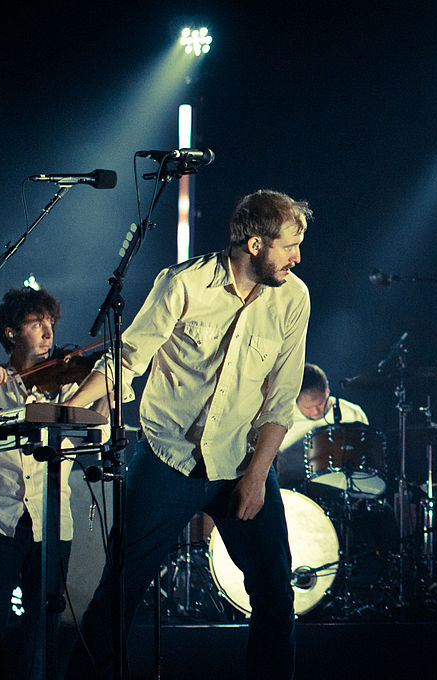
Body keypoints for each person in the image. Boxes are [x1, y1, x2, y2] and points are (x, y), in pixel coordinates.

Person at [63, 189, 312, 680]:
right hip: (166, 458)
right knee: (120, 591)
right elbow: (128, 357)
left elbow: (282, 398)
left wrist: (258, 476)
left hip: (242, 461)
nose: (297, 257)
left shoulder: (294, 297)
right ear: (257, 244)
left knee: (275, 593)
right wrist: (69, 409)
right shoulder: (182, 283)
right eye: (289, 245)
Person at [0, 287, 105, 680]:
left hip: (52, 522)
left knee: (42, 631)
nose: (48, 332)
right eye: (37, 324)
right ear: (10, 333)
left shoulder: (70, 386)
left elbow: (100, 432)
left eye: (50, 323)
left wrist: (110, 383)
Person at [275, 362, 370, 490]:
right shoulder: (281, 420)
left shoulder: (353, 414)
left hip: (343, 489)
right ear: (295, 398)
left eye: (320, 403)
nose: (316, 411)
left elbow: (366, 457)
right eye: (308, 407)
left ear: (327, 388)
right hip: (293, 492)